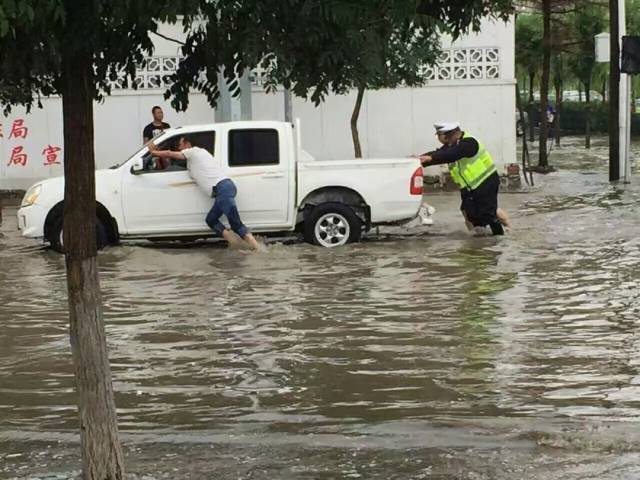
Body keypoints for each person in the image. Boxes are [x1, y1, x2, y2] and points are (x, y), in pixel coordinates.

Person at [148, 135, 260, 250]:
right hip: (222, 190)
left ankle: (258, 249)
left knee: (236, 224)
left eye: (181, 144)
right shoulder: (193, 159)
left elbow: (170, 154)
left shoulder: (194, 151)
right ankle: (234, 242)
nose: (179, 147)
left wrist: (154, 152)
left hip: (222, 188)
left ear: (187, 144)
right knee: (211, 219)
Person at [419, 122, 511, 235]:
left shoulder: (469, 143)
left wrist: (431, 157)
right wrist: (419, 160)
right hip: (469, 186)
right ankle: (479, 236)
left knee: (487, 214)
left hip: (485, 182)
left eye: (439, 135)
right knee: (469, 212)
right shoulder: (452, 145)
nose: (438, 139)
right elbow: (440, 153)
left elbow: (451, 154)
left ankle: (499, 238)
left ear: (448, 135)